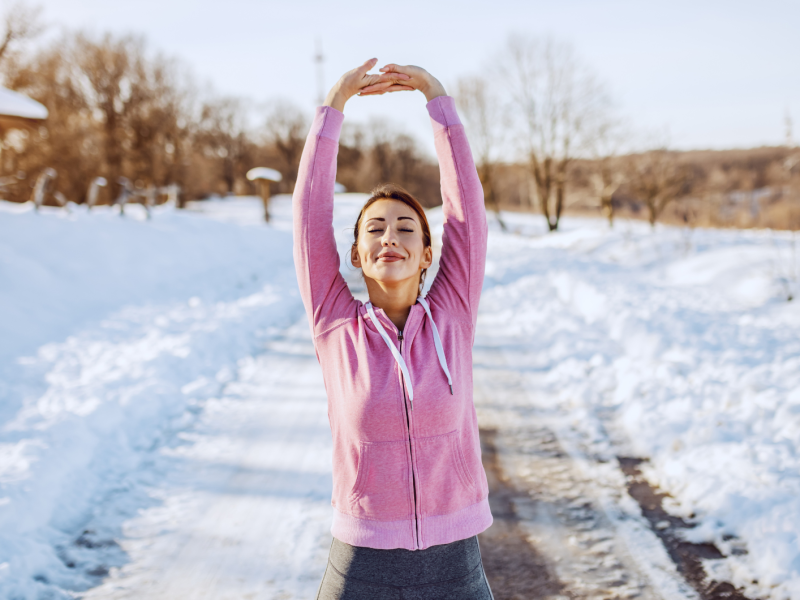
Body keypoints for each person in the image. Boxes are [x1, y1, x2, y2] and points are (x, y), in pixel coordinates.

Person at [293, 58, 493, 600]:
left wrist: (437, 100)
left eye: (406, 227)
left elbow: (466, 212)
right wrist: (333, 107)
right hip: (362, 567)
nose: (390, 236)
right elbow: (309, 214)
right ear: (356, 254)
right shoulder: (335, 324)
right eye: (375, 228)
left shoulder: (453, 313)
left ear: (427, 254)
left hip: (455, 567)